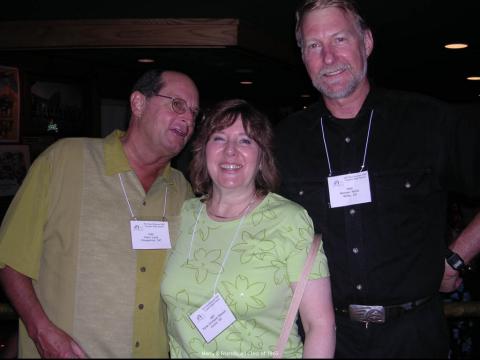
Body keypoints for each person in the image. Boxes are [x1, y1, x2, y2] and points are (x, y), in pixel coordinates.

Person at [275, 0, 480, 358]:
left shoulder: (428, 121)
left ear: (366, 42)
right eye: (313, 45)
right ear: (303, 56)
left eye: (339, 39)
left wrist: (457, 257)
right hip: (327, 338)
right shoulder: (285, 140)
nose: (328, 57)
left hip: (414, 337)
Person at [0, 69, 199, 358]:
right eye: (177, 104)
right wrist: (40, 330)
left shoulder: (181, 190)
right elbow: (10, 258)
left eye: (195, 112)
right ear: (138, 104)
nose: (188, 119)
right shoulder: (66, 160)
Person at [160, 99, 336, 358]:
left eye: (245, 141)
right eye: (219, 138)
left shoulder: (289, 220)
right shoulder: (183, 215)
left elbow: (320, 325)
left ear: (262, 155)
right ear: (203, 150)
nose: (230, 152)